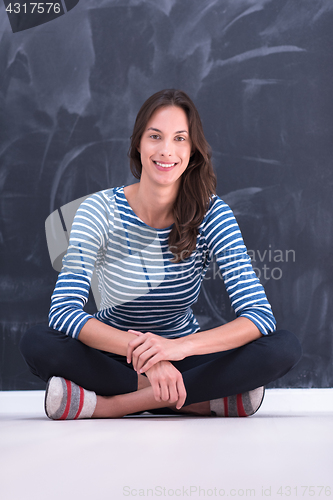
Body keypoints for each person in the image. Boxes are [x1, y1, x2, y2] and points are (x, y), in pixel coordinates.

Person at [20, 89, 302, 420]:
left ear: (193, 150)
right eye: (155, 136)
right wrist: (151, 360)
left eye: (179, 139)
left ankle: (110, 405)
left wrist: (175, 349)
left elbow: (258, 316)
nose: (166, 150)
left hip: (186, 353)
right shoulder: (97, 210)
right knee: (38, 342)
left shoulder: (212, 214)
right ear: (138, 143)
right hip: (112, 352)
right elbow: (65, 312)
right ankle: (202, 402)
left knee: (282, 347)